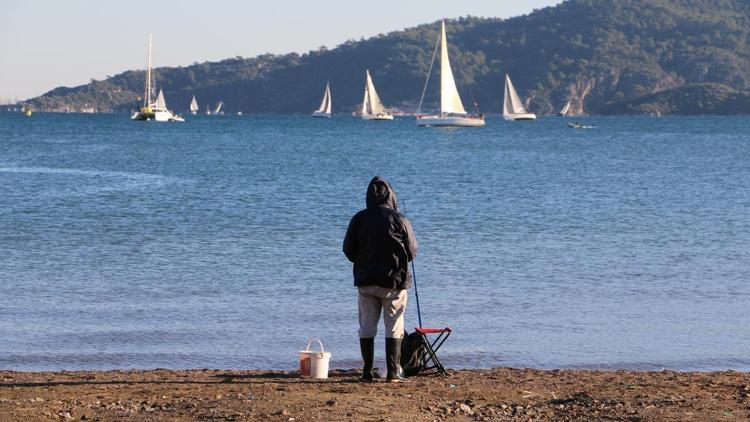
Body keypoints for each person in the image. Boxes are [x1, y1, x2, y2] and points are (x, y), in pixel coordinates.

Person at [343, 176, 418, 382]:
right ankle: (393, 373)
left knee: (367, 326)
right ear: (391, 196)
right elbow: (412, 252)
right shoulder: (400, 219)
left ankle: (367, 372)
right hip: (394, 283)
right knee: (393, 326)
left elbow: (348, 250)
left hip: (366, 281)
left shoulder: (359, 219)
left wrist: (362, 261)